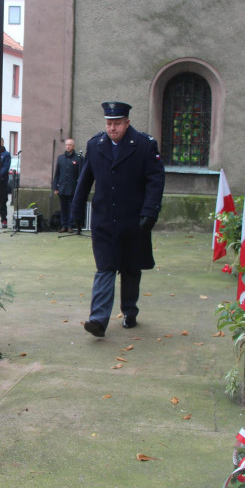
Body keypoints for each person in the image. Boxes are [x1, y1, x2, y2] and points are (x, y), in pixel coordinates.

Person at [72, 101, 165, 335]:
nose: (112, 128)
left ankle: (129, 311)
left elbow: (155, 179)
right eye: (109, 124)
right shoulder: (96, 145)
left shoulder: (144, 145)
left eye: (117, 124)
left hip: (133, 220)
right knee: (105, 267)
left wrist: (150, 211)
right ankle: (98, 319)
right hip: (103, 220)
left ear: (127, 123)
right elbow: (85, 180)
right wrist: (75, 212)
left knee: (131, 268)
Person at [54, 138, 84, 232]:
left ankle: (71, 225)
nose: (68, 146)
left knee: (72, 207)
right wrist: (55, 187)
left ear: (73, 146)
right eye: (67, 144)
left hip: (73, 188)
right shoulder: (60, 158)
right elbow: (57, 174)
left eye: (70, 145)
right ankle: (64, 225)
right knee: (63, 208)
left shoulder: (78, 158)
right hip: (62, 187)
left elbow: (81, 174)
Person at [0, 139, 11, 228]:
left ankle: (4, 220)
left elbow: (5, 167)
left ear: (2, 143)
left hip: (2, 182)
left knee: (2, 202)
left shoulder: (6, 154)